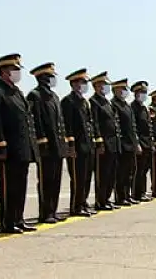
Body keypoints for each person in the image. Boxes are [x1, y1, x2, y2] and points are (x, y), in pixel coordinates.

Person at [0, 54, 38, 234]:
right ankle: (7, 222)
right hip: (8, 149)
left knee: (20, 186)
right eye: (14, 69)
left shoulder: (17, 92)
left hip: (22, 148)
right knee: (8, 188)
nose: (17, 73)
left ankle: (18, 218)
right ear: (4, 71)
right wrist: (0, 145)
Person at [27, 62, 69, 224]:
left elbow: (60, 121)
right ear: (43, 78)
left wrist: (63, 143)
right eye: (50, 77)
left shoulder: (54, 96)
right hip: (46, 146)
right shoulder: (35, 95)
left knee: (56, 180)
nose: (53, 79)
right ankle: (45, 212)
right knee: (46, 180)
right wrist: (42, 143)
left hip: (57, 145)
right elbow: (36, 121)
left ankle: (53, 210)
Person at [60, 68, 95, 217]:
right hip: (77, 146)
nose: (85, 85)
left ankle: (83, 202)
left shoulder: (84, 102)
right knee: (78, 178)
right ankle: (76, 206)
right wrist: (70, 146)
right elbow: (67, 125)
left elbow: (89, 123)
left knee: (86, 178)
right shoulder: (68, 101)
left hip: (87, 145)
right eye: (83, 82)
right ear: (74, 83)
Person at [89, 72, 120, 211]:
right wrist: (99, 141)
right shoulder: (94, 102)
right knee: (102, 174)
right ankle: (100, 201)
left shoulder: (107, 102)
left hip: (113, 143)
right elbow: (95, 122)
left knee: (111, 174)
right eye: (104, 84)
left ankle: (107, 198)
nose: (106, 87)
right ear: (97, 86)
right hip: (104, 143)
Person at [110, 78, 140, 206]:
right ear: (115, 90)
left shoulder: (126, 106)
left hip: (131, 144)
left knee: (130, 172)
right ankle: (120, 197)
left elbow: (133, 126)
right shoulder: (113, 104)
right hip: (122, 144)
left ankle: (127, 195)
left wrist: (136, 143)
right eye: (122, 89)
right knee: (121, 173)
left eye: (125, 89)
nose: (124, 91)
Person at [131, 81, 154, 202]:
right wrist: (137, 143)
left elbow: (149, 127)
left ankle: (142, 192)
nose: (144, 94)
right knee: (138, 170)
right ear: (136, 93)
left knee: (144, 170)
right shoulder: (133, 107)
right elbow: (133, 127)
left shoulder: (144, 108)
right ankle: (136, 194)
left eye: (145, 92)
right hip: (140, 143)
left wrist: (151, 142)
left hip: (147, 143)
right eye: (142, 92)